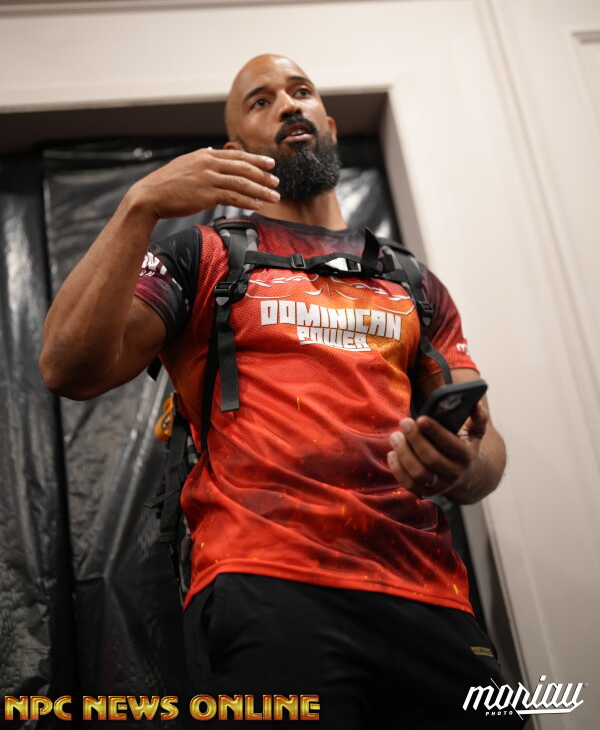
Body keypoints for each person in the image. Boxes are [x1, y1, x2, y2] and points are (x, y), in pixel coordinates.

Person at [40, 54, 521, 727]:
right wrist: (139, 203)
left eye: (300, 92)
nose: (289, 105)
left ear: (328, 123)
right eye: (260, 101)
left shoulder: (411, 281)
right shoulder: (202, 256)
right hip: (269, 586)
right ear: (236, 150)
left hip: (430, 595)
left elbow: (485, 449)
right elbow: (66, 367)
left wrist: (461, 465)